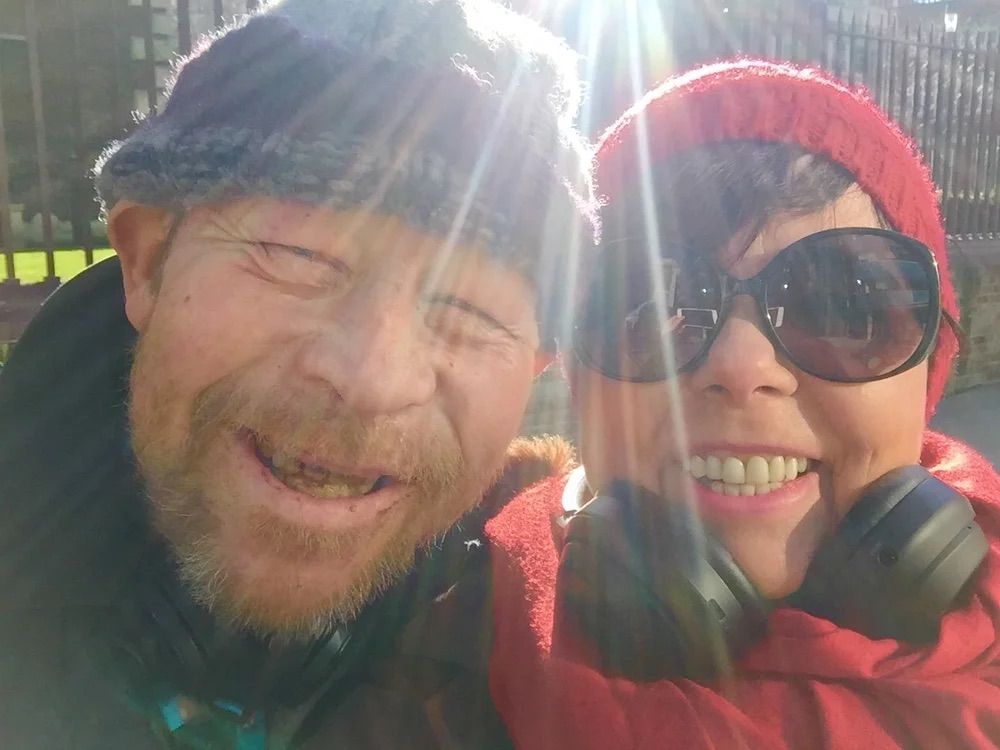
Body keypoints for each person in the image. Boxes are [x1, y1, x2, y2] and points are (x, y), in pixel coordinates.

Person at [0, 1, 595, 747]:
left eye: (470, 310)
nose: (373, 379)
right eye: (300, 259)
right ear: (148, 263)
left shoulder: (569, 679)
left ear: (534, 368)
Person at [486, 60, 1000, 748]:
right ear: (576, 366)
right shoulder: (430, 646)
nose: (743, 366)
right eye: (656, 306)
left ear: (931, 365)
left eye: (842, 307)